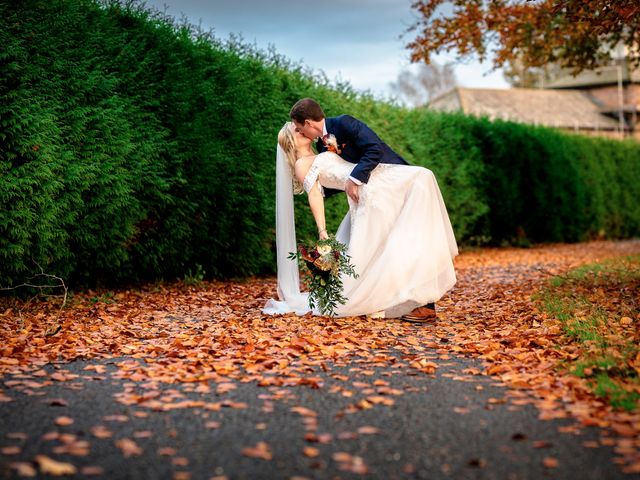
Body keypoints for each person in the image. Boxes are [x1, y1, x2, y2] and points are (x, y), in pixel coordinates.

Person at [263, 99, 458, 322]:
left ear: (307, 123)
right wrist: (322, 230)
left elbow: (369, 153)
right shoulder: (307, 159)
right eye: (295, 131)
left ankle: (421, 304)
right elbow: (319, 191)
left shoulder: (341, 127)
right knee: (393, 246)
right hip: (369, 197)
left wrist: (353, 180)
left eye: (298, 127)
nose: (299, 131)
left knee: (420, 187)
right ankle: (411, 304)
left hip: (379, 185)